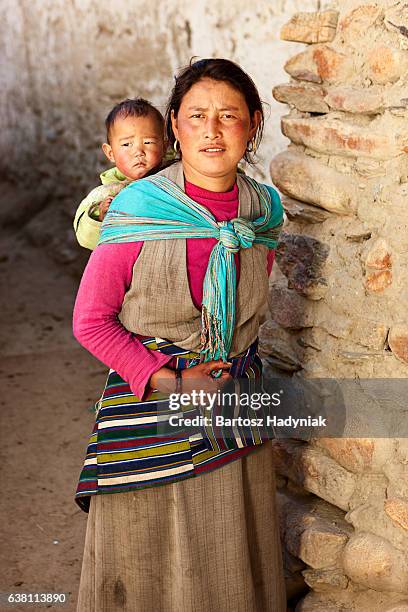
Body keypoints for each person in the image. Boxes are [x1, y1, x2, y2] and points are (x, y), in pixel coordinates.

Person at [73, 58, 286, 612]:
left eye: (229, 116)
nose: (212, 131)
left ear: (253, 123)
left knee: (228, 558)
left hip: (234, 412)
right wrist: (172, 379)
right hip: (151, 415)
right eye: (196, 116)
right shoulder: (138, 208)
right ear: (174, 125)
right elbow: (91, 321)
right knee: (153, 569)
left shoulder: (264, 212)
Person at [73, 97, 166, 250]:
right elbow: (85, 239)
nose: (138, 152)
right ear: (110, 153)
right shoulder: (106, 193)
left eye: (148, 142)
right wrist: (101, 217)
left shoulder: (173, 177)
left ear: (164, 145)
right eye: (126, 144)